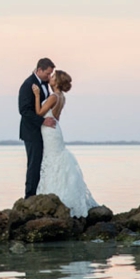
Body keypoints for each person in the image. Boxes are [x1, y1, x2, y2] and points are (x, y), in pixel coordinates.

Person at [31, 70, 98, 217]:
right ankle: (58, 194)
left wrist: (36, 95)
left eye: (53, 77)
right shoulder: (61, 97)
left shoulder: (54, 97)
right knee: (55, 160)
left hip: (49, 132)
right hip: (55, 130)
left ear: (57, 82)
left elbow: (38, 113)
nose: (51, 78)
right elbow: (57, 117)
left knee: (52, 161)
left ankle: (55, 194)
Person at [18, 58, 56, 198]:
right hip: (31, 131)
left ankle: (42, 193)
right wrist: (42, 121)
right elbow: (24, 110)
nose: (49, 77)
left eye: (51, 74)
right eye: (47, 73)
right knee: (34, 165)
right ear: (39, 70)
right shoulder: (27, 85)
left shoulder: (46, 83)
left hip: (45, 133)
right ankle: (29, 197)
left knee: (43, 164)